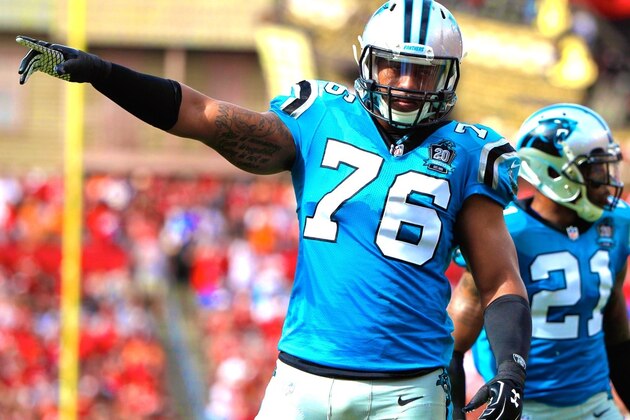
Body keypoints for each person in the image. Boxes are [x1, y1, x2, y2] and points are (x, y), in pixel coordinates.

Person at [16, 1, 532, 418]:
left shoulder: (469, 152)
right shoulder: (321, 114)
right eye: (392, 65)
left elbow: (500, 279)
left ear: (448, 76)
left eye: (421, 72)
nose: (403, 83)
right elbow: (204, 114)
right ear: (367, 62)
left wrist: (510, 369)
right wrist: (104, 74)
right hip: (303, 379)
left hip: (409, 388)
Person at [448, 103, 630, 419]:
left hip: (596, 403)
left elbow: (614, 317)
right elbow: (454, 342)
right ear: (554, 172)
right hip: (523, 407)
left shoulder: (617, 222)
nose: (608, 181)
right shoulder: (506, 229)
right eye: (595, 170)